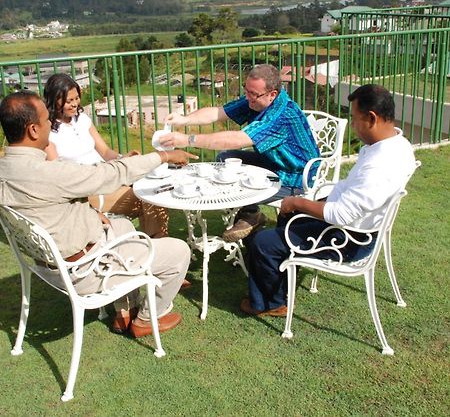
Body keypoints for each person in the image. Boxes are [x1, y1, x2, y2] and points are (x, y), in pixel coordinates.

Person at [0, 90, 198, 337]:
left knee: (123, 226)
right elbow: (113, 174)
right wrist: (163, 156)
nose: (51, 123)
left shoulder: (5, 168)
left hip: (49, 264)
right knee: (179, 252)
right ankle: (148, 318)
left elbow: (45, 211)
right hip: (86, 271)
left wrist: (91, 214)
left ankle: (124, 311)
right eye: (46, 120)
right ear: (33, 130)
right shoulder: (47, 173)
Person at [239, 84, 416, 316]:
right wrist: (310, 202)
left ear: (372, 118)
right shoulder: (396, 144)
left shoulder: (379, 164)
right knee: (289, 216)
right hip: (358, 226)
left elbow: (341, 215)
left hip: (350, 241)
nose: (352, 125)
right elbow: (351, 194)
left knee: (263, 242)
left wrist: (298, 202)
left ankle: (270, 303)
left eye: (354, 119)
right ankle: (282, 270)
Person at [159, 64, 320, 242]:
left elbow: (238, 139)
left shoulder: (281, 115)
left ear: (272, 94)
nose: (248, 98)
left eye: (254, 94)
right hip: (274, 163)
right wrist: (184, 119)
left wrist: (188, 140)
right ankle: (250, 214)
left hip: (296, 176)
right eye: (247, 91)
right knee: (227, 159)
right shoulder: (258, 100)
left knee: (237, 184)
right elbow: (218, 113)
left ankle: (249, 218)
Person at [44, 73, 168, 239]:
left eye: (76, 99)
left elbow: (104, 152)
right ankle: (158, 243)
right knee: (147, 196)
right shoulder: (49, 133)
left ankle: (155, 242)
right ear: (55, 101)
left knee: (154, 188)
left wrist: (123, 157)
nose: (74, 104)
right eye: (68, 101)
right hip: (87, 191)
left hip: (107, 177)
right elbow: (60, 175)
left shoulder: (82, 120)